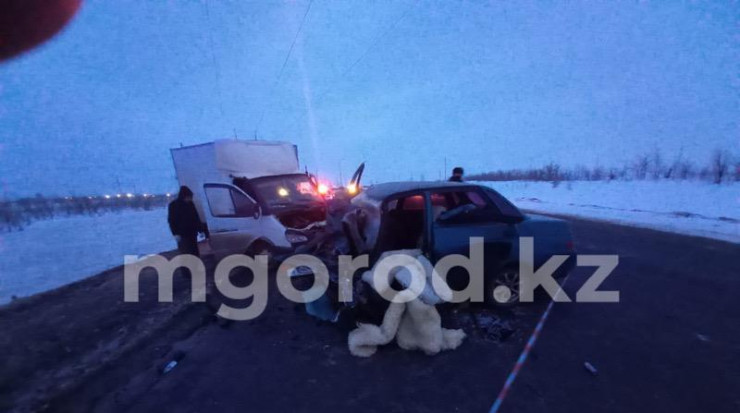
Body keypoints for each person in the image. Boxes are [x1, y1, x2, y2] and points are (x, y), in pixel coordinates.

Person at [167, 186, 207, 256]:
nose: (190, 199)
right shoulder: (173, 205)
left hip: (192, 233)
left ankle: (196, 262)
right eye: (188, 197)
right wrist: (175, 233)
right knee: (186, 254)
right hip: (182, 235)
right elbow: (171, 221)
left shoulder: (190, 204)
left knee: (195, 253)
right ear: (183, 196)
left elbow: (195, 217)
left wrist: (200, 229)